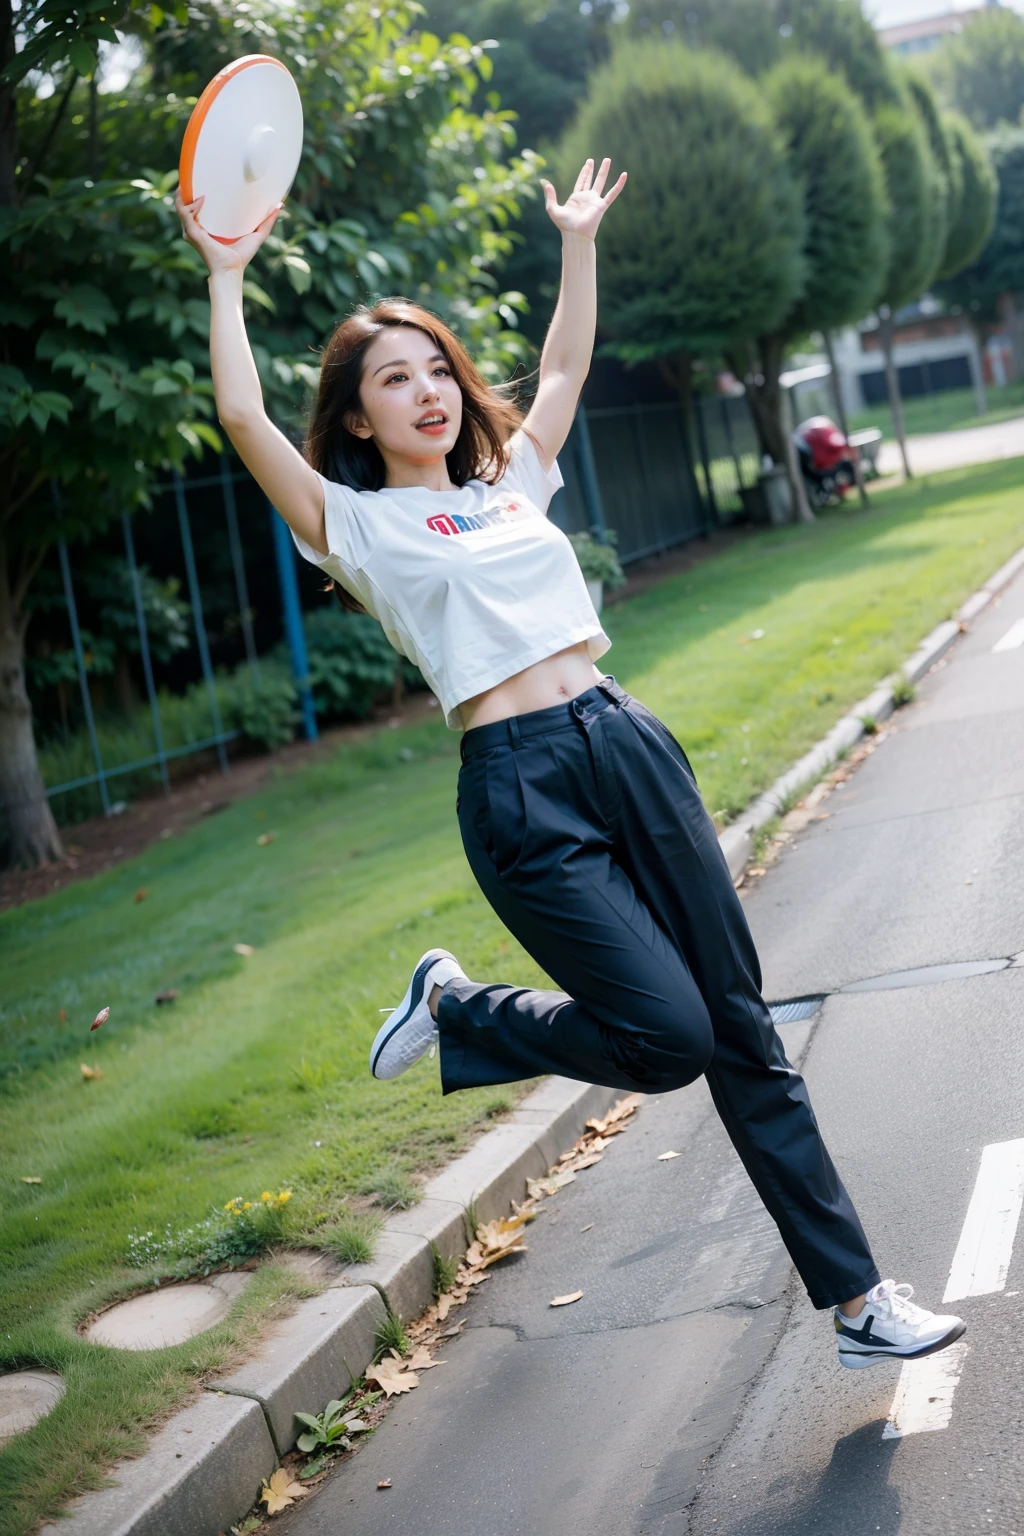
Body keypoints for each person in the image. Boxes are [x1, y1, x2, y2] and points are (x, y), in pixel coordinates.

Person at [176, 157, 964, 1371]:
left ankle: (858, 1305)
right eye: (395, 379)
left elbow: (560, 370)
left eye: (437, 366)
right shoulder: (359, 528)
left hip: (625, 742)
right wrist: (226, 275)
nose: (429, 390)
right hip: (520, 787)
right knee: (668, 1038)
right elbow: (242, 421)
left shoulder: (510, 482)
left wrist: (577, 241)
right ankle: (457, 1006)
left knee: (740, 1028)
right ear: (355, 418)